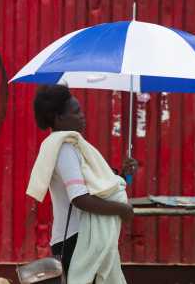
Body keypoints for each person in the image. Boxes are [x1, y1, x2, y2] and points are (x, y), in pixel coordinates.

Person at [31, 84, 137, 280]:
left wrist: (124, 176)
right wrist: (122, 209)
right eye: (76, 112)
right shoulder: (64, 149)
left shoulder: (72, 146)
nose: (82, 115)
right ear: (58, 118)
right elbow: (80, 199)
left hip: (78, 238)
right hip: (75, 240)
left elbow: (98, 189)